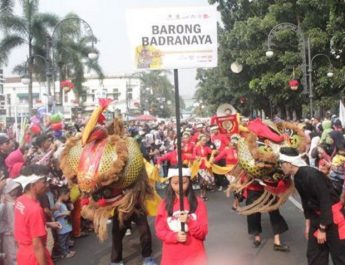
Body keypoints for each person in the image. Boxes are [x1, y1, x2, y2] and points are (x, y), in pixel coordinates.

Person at [279, 147, 345, 265]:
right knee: (314, 256)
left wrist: (322, 229)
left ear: (289, 163)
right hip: (317, 217)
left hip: (333, 219)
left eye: (281, 163)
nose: (280, 166)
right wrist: (308, 224)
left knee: (339, 257)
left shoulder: (311, 175)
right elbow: (306, 201)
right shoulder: (297, 176)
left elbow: (325, 201)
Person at [155, 168, 208, 265]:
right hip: (172, 258)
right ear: (170, 183)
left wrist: (190, 221)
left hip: (195, 257)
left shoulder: (198, 203)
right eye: (175, 183)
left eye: (183, 182)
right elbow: (160, 231)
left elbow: (203, 233)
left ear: (189, 182)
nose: (179, 186)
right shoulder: (164, 205)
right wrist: (174, 237)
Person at [13, 168, 58, 265]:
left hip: (23, 255)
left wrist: (48, 224)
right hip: (35, 257)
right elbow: (37, 246)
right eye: (43, 182)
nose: (46, 185)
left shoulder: (20, 200)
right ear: (32, 184)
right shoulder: (35, 209)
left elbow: (27, 224)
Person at [0, 179, 22, 265]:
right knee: (12, 257)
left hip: (13, 234)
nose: (15, 192)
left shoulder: (12, 202)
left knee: (14, 255)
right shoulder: (6, 204)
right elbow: (11, 222)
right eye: (13, 190)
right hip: (9, 235)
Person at [53, 187, 76, 259]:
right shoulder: (57, 204)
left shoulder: (62, 203)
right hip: (62, 226)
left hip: (65, 225)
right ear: (62, 195)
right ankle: (65, 253)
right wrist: (64, 213)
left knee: (66, 239)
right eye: (67, 195)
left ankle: (67, 251)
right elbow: (55, 214)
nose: (68, 197)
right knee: (62, 241)